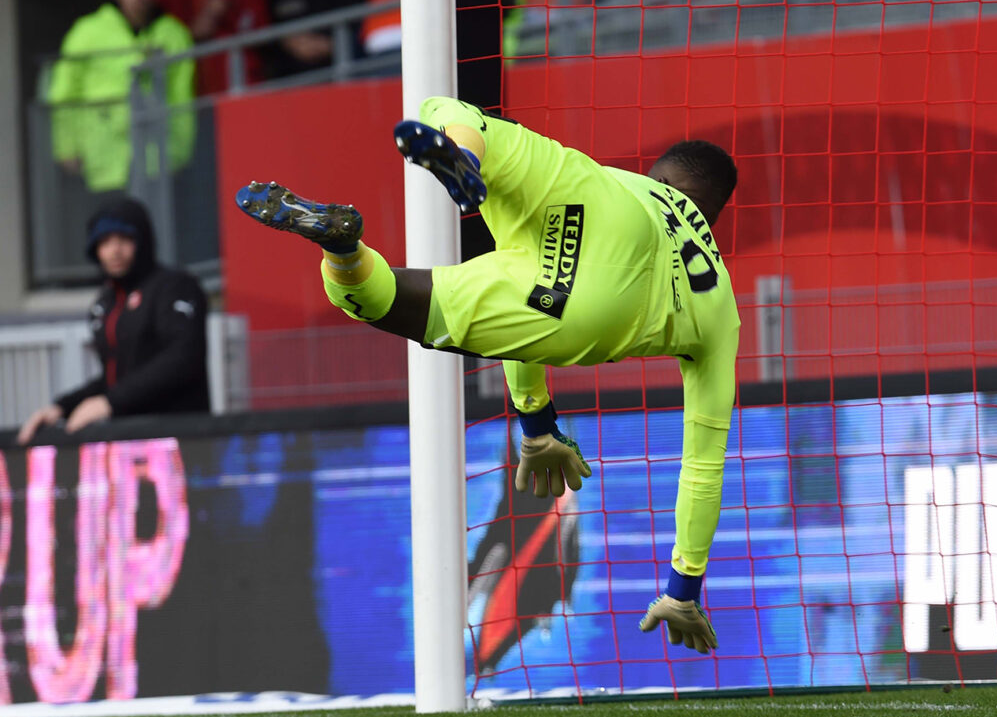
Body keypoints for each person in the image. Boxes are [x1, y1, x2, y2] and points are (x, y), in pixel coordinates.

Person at [236, 96, 739, 654]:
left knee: (447, 111)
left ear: (661, 177)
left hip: (585, 199)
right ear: (712, 214)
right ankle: (348, 244)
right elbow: (702, 465)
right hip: (592, 306)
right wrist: (684, 587)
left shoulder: (629, 182)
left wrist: (536, 422)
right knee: (405, 305)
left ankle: (445, 173)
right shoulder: (721, 308)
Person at [17, 198, 210, 446]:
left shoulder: (175, 286)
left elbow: (182, 359)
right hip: (127, 442)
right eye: (105, 242)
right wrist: (62, 408)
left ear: (143, 242)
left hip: (181, 439)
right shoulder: (105, 304)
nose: (114, 251)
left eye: (123, 240)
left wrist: (110, 402)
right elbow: (115, 376)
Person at [48, 0, 196, 195]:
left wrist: (180, 153)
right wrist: (66, 148)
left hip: (158, 162)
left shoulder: (174, 34)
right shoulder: (88, 31)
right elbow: (64, 95)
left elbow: (182, 99)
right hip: (103, 164)